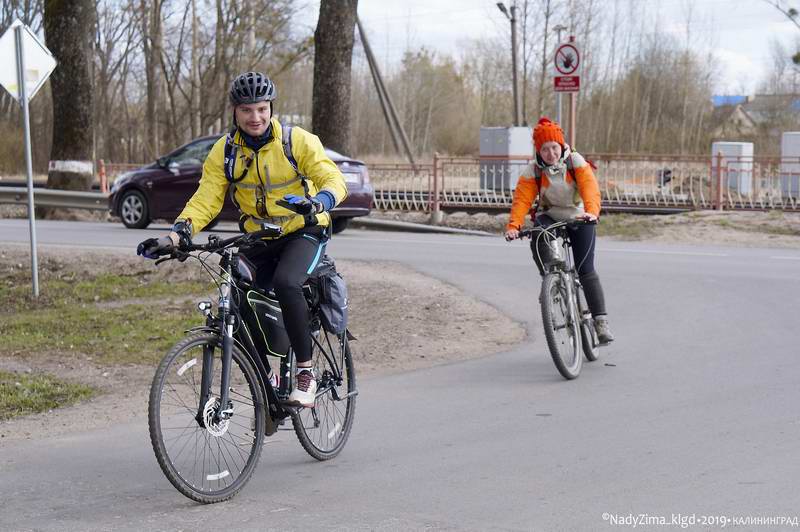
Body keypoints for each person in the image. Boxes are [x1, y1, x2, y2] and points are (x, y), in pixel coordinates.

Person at [137, 71, 349, 406]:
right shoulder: (224, 152)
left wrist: (319, 202)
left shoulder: (296, 142)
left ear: (271, 108)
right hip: (260, 237)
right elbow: (206, 199)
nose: (256, 117)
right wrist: (178, 235)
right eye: (247, 110)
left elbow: (333, 179)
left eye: (262, 109)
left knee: (286, 283)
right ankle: (269, 381)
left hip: (304, 230)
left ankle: (305, 373)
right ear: (235, 112)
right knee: (235, 292)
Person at [505, 117, 615, 344]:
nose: (550, 153)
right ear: (538, 150)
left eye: (554, 147)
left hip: (580, 215)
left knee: (586, 269)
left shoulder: (575, 161)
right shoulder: (533, 170)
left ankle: (600, 322)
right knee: (538, 235)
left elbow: (589, 188)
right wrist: (514, 226)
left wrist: (592, 212)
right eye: (544, 149)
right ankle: (551, 280)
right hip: (551, 215)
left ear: (561, 145)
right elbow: (522, 200)